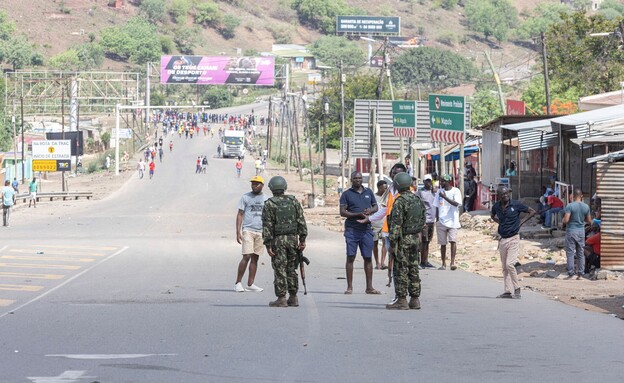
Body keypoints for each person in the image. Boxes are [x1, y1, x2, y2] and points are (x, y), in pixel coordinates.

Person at [262, 176, 307, 307]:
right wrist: (302, 239)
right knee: (291, 268)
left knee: (280, 268)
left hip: (278, 241)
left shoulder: (269, 204)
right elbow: (301, 222)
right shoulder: (293, 202)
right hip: (293, 240)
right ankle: (293, 297)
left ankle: (281, 298)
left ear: (271, 188)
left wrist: (268, 244)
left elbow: (267, 226)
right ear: (284, 187)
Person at [386, 173, 426, 310]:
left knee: (401, 269)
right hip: (415, 238)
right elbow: (423, 220)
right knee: (413, 268)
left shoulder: (400, 201)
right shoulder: (417, 199)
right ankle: (415, 299)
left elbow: (396, 225)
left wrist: (392, 243)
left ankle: (402, 300)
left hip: (403, 240)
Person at [491, 187, 536, 299]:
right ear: (499, 195)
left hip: (514, 238)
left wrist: (521, 222)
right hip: (502, 239)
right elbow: (492, 216)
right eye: (503, 194)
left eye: (507, 193)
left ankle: (517, 288)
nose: (505, 195)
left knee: (510, 264)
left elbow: (532, 211)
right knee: (504, 267)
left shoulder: (516, 204)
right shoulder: (496, 206)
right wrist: (500, 222)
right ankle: (507, 291)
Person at [339, 171, 380, 295]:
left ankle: (369, 287)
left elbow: (376, 207)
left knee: (368, 258)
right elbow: (342, 212)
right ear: (351, 180)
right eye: (355, 178)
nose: (358, 180)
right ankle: (350, 287)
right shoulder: (346, 194)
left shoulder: (369, 192)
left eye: (360, 178)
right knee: (350, 257)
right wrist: (356, 214)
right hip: (352, 229)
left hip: (366, 229)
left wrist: (370, 211)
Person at [235, 176, 269, 293]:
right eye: (253, 184)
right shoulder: (246, 197)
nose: (254, 186)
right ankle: (238, 283)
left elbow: (269, 217)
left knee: (255, 257)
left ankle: (250, 283)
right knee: (247, 256)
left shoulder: (266, 199)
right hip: (248, 230)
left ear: (262, 185)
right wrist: (238, 231)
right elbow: (240, 214)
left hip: (260, 231)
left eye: (257, 184)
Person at [434, 174, 462, 270]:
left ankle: (452, 262)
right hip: (441, 221)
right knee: (443, 243)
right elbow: (437, 206)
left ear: (447, 181)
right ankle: (443, 263)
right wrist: (437, 219)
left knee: (453, 241)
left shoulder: (456, 191)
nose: (440, 183)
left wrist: (445, 197)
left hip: (453, 220)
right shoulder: (439, 192)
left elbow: (456, 204)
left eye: (442, 181)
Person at [562, 189, 592, 279]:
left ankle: (571, 273)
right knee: (580, 253)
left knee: (570, 252)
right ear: (581, 196)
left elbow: (566, 220)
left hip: (571, 231)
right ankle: (580, 274)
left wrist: (563, 221)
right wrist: (582, 220)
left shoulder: (570, 206)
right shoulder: (586, 207)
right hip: (581, 231)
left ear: (573, 196)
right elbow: (589, 220)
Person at [416, 174, 436, 269]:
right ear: (423, 182)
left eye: (430, 181)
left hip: (432, 221)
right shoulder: (420, 192)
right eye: (426, 181)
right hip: (424, 220)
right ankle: (420, 261)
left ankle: (425, 261)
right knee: (422, 241)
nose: (428, 183)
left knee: (428, 241)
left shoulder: (434, 192)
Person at [372, 180, 388, 270]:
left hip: (384, 223)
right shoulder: (373, 197)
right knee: (375, 243)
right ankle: (377, 262)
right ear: (379, 187)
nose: (385, 189)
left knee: (385, 242)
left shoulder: (387, 198)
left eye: (386, 188)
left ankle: (382, 262)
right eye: (384, 188)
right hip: (374, 224)